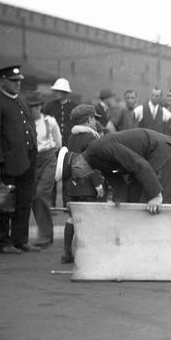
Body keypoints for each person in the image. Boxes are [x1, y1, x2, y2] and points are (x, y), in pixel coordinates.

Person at [0, 65, 39, 254]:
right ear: (2, 81)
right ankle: (4, 242)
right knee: (3, 203)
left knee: (24, 202)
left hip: (26, 160)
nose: (18, 83)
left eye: (19, 80)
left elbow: (29, 127)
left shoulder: (21, 101)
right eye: (13, 81)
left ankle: (20, 240)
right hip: (7, 163)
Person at [56, 128, 171, 212]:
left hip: (161, 150)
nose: (82, 179)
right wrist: (118, 205)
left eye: (77, 177)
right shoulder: (95, 160)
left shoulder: (99, 148)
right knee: (134, 201)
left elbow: (138, 164)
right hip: (147, 160)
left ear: (77, 166)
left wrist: (155, 195)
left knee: (150, 202)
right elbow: (119, 183)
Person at [60, 104, 105, 264]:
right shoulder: (91, 138)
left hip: (73, 186)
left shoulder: (72, 137)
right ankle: (85, 254)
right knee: (87, 218)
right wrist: (98, 185)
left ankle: (66, 252)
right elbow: (93, 163)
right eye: (94, 118)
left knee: (72, 217)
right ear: (88, 119)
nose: (95, 122)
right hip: (87, 186)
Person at [27, 91, 62, 248]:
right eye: (31, 107)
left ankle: (46, 235)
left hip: (48, 159)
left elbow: (58, 143)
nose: (34, 110)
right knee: (34, 196)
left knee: (42, 193)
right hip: (32, 161)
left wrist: (50, 158)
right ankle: (45, 234)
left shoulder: (50, 121)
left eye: (36, 106)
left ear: (41, 107)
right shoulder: (25, 123)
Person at [43, 78, 76, 206]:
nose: (59, 93)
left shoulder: (74, 107)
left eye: (61, 91)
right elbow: (44, 125)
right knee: (52, 175)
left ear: (67, 93)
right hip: (53, 146)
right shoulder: (48, 107)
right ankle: (50, 204)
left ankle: (67, 204)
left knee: (67, 175)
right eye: (57, 91)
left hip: (69, 146)